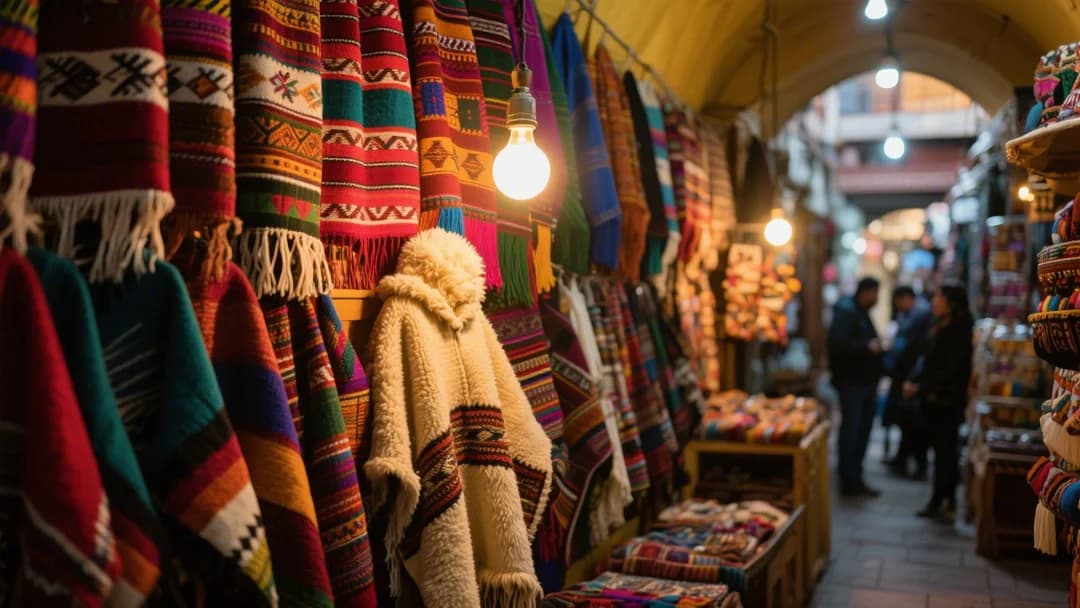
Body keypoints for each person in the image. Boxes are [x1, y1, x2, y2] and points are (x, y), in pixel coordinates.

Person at [903, 284, 973, 521]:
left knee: (945, 452)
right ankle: (941, 500)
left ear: (951, 302)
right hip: (933, 399)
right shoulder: (939, 325)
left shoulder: (959, 330)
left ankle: (943, 501)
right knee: (941, 451)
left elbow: (950, 369)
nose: (934, 301)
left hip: (946, 401)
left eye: (939, 297)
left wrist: (921, 386)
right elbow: (928, 360)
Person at [828, 277, 885, 497]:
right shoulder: (847, 312)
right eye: (875, 294)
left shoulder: (858, 312)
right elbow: (838, 345)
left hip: (863, 382)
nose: (877, 299)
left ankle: (855, 478)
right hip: (853, 382)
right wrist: (867, 346)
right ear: (867, 292)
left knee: (859, 431)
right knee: (852, 431)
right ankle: (849, 480)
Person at [884, 286, 933, 479]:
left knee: (913, 422)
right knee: (908, 420)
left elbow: (911, 348)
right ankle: (903, 459)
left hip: (912, 377)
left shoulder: (919, 315)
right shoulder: (914, 314)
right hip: (909, 375)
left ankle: (913, 462)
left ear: (905, 298)